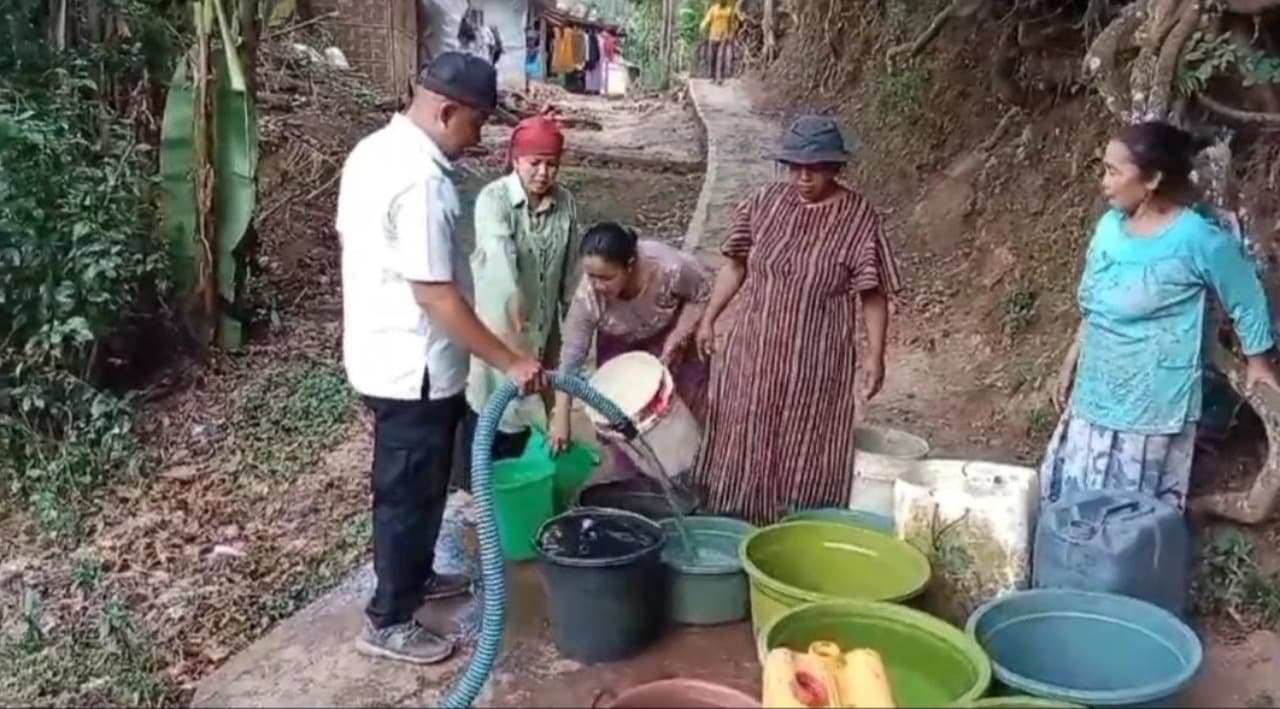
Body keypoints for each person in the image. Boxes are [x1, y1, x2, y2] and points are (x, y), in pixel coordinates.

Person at [336, 51, 544, 665]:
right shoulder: (422, 180)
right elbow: (435, 296)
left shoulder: (373, 151)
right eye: (476, 124)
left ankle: (416, 578)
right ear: (446, 110)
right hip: (414, 370)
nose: (477, 139)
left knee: (421, 488)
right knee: (406, 495)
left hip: (381, 353)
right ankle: (389, 620)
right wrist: (509, 362)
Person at [1043, 120, 1279, 512]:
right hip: (1095, 393)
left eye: (1114, 172)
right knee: (1075, 507)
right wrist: (1070, 362)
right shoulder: (1109, 229)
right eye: (1104, 169)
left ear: (1151, 179)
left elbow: (1247, 296)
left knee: (1130, 518)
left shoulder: (1197, 238)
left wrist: (1258, 362)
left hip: (1153, 407)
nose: (1104, 181)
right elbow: (1096, 305)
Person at [693, 115, 901, 525]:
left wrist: (875, 355)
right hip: (754, 345)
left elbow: (872, 293)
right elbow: (735, 266)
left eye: (815, 168)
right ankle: (733, 519)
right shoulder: (764, 203)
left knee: (807, 439)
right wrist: (708, 318)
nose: (803, 177)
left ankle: (800, 525)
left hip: (817, 355)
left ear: (835, 167)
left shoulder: (858, 218)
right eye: (796, 167)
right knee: (744, 427)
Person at [455, 115, 580, 491]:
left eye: (552, 164)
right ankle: (476, 511)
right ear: (515, 160)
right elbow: (499, 260)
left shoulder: (566, 203)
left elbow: (573, 276)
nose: (543, 173)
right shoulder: (494, 200)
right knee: (489, 424)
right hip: (500, 339)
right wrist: (516, 312)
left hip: (546, 342)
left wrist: (579, 322)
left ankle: (517, 513)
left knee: (531, 436)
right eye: (535, 163)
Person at [550, 222, 713, 482]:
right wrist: (561, 416)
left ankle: (694, 466)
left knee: (681, 401)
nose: (597, 285)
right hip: (620, 342)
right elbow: (571, 357)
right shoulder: (588, 299)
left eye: (606, 278)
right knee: (621, 414)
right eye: (591, 276)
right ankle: (638, 476)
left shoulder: (669, 267)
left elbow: (702, 293)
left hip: (667, 331)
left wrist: (678, 336)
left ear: (630, 265)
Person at [700, 0, 739, 84]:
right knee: (712, 57)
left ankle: (719, 77)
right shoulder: (713, 9)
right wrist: (702, 26)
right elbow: (707, 19)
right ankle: (713, 76)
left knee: (721, 56)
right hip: (713, 36)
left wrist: (731, 34)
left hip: (723, 37)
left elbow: (732, 23)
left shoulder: (729, 10)